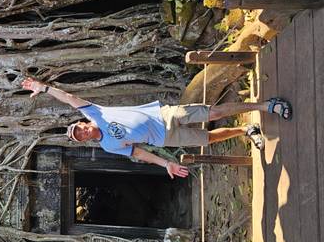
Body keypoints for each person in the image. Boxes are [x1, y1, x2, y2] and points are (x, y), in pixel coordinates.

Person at [21, 77, 292, 179]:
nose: (81, 133)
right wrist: (166, 166)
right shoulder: (108, 145)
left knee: (214, 111)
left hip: (164, 116)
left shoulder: (97, 113)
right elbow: (138, 154)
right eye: (78, 137)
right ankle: (246, 130)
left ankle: (266, 106)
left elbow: (68, 98)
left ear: (82, 123)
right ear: (83, 141)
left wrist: (43, 88)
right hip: (165, 139)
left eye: (78, 128)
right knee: (208, 138)